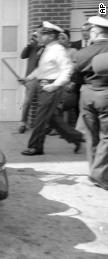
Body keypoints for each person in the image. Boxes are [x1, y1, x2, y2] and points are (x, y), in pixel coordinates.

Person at [21, 21, 84, 156]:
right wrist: (29, 77)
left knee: (41, 118)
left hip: (50, 87)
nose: (39, 36)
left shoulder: (58, 50)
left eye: (43, 34)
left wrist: (54, 85)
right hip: (43, 84)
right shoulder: (46, 48)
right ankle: (76, 137)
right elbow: (42, 69)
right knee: (52, 118)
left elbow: (67, 70)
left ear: (51, 36)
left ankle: (35, 147)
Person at [72, 16, 108, 190]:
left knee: (92, 135)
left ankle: (94, 173)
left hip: (86, 94)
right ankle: (100, 175)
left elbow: (75, 77)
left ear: (95, 32)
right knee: (106, 137)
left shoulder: (81, 53)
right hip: (106, 94)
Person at [18, 30, 44, 133]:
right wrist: (29, 44)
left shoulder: (45, 48)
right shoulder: (31, 48)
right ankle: (23, 123)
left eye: (36, 36)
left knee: (42, 103)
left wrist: (39, 44)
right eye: (33, 36)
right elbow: (23, 55)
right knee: (27, 102)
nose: (34, 38)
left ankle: (41, 125)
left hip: (42, 79)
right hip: (30, 80)